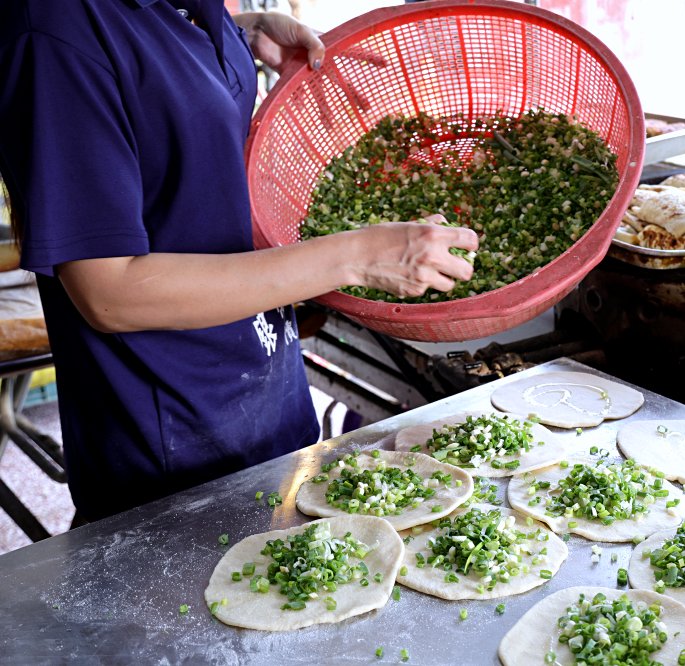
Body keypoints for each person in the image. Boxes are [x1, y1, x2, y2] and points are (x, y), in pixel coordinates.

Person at [0, 1, 478, 522]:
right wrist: (355, 256)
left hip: (263, 389)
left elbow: (152, 76)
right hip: (173, 451)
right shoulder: (54, 36)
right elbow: (109, 293)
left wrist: (236, 35)